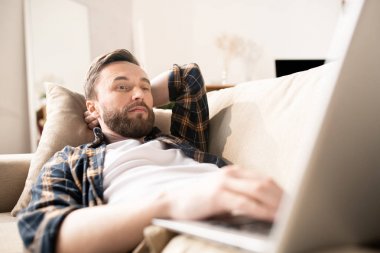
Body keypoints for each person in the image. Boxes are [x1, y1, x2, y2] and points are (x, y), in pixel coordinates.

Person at [18, 49, 283, 253]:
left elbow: (188, 77)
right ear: (92, 108)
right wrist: (173, 205)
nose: (139, 94)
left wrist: (135, 95)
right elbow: (42, 231)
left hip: (249, 214)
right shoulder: (73, 160)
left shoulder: (180, 139)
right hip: (179, 235)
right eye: (121, 86)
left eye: (145, 87)